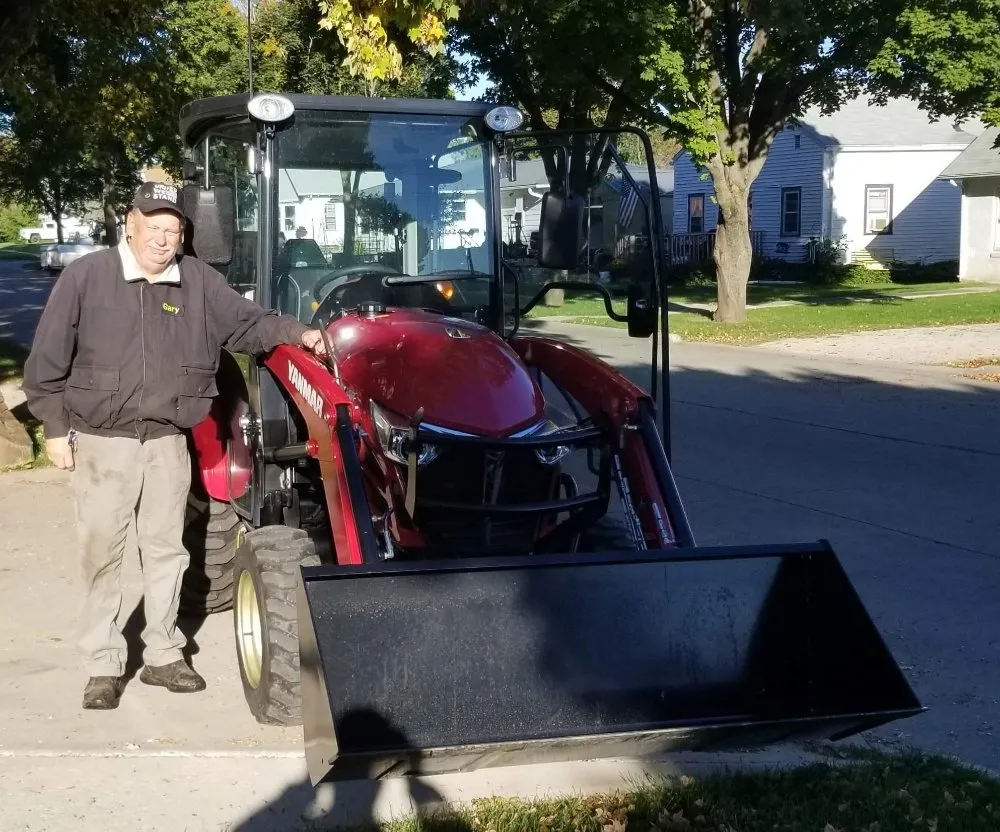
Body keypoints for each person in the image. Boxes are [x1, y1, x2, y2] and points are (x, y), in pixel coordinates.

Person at [22, 181, 328, 711]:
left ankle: (163, 653)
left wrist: (299, 334)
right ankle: (101, 663)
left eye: (174, 229)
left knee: (167, 552)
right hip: (103, 442)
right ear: (131, 224)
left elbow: (249, 323)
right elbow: (47, 362)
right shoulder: (87, 277)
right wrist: (54, 430)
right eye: (154, 226)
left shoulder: (198, 282)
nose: (163, 238)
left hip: (167, 440)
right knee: (102, 556)